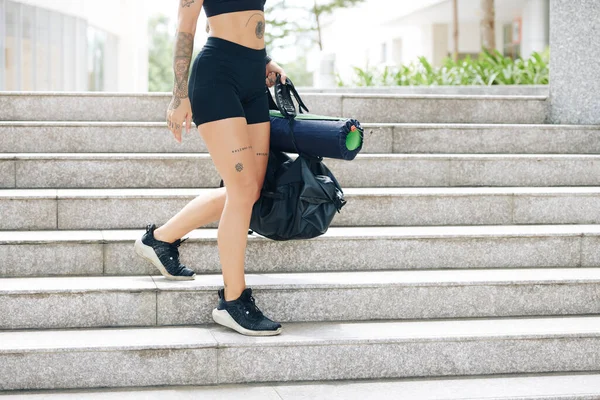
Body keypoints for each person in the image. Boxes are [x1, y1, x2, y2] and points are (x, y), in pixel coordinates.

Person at [134, 0, 287, 336]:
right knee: (243, 190)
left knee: (248, 190)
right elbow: (186, 26)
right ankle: (233, 301)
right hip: (217, 76)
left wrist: (264, 58)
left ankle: (160, 239)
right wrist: (179, 94)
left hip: (252, 75)